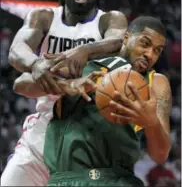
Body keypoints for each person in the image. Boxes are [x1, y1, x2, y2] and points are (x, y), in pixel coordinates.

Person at [1, 0, 127, 186]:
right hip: (45, 127)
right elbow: (17, 50)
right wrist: (36, 63)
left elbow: (119, 41)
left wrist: (84, 50)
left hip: (89, 135)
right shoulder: (45, 17)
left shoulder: (109, 20)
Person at [13, 16, 172, 187]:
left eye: (157, 50)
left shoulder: (155, 83)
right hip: (67, 179)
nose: (149, 54)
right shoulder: (86, 63)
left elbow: (160, 154)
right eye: (145, 43)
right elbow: (21, 84)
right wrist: (67, 85)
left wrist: (151, 123)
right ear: (126, 38)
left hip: (119, 181)